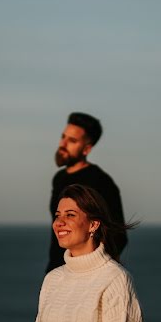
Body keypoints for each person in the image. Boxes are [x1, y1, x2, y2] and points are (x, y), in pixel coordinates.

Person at [29, 184, 143, 322]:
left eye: (70, 215)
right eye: (57, 215)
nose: (59, 223)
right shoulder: (52, 279)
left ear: (93, 225)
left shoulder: (115, 279)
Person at [47, 112, 127, 273]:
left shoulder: (101, 182)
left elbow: (118, 236)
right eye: (63, 137)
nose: (63, 144)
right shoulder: (59, 178)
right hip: (58, 270)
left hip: (87, 275)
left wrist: (91, 274)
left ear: (87, 149)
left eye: (72, 140)